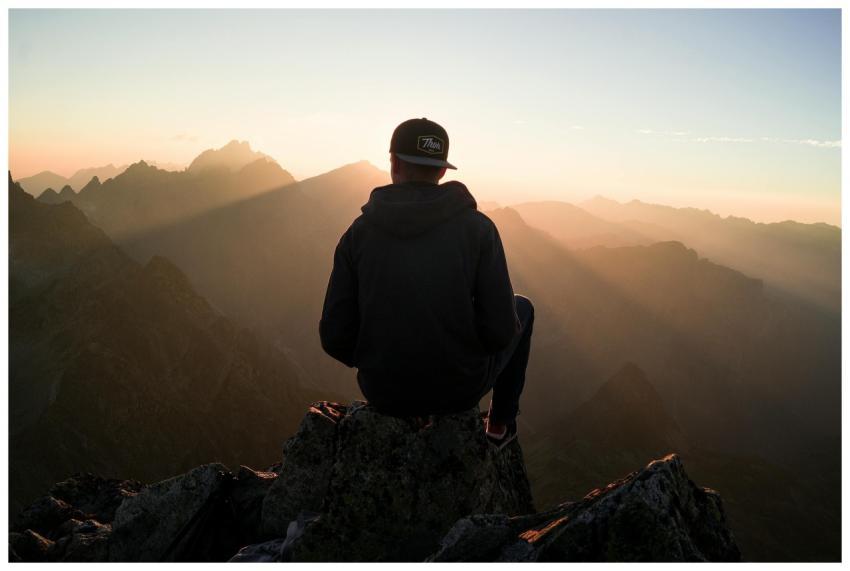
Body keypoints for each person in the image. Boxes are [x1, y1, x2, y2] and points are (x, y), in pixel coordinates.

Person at [319, 117, 534, 447]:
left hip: (384, 391)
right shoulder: (479, 231)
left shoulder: (357, 234)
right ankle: (498, 427)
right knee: (523, 307)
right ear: (443, 171)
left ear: (394, 163)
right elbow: (501, 331)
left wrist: (382, 358)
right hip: (459, 390)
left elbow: (335, 337)